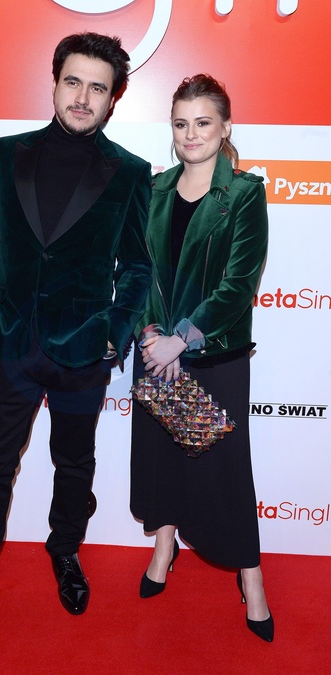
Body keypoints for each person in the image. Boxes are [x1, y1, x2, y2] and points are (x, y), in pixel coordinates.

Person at [0, 32, 152, 629]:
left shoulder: (130, 172)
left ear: (112, 99)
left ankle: (65, 551)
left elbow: (137, 266)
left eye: (97, 88)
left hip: (84, 348)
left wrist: (115, 331)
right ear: (54, 83)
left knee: (73, 462)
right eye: (73, 81)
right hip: (13, 341)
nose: (82, 97)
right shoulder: (7, 153)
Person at [131, 74, 274, 642]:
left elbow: (239, 285)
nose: (191, 134)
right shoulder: (155, 189)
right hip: (157, 354)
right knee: (164, 458)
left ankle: (251, 577)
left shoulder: (243, 194)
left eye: (203, 122)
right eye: (181, 123)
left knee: (225, 472)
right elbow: (139, 271)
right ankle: (164, 548)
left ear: (225, 127)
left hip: (212, 356)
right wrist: (148, 332)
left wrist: (181, 339)